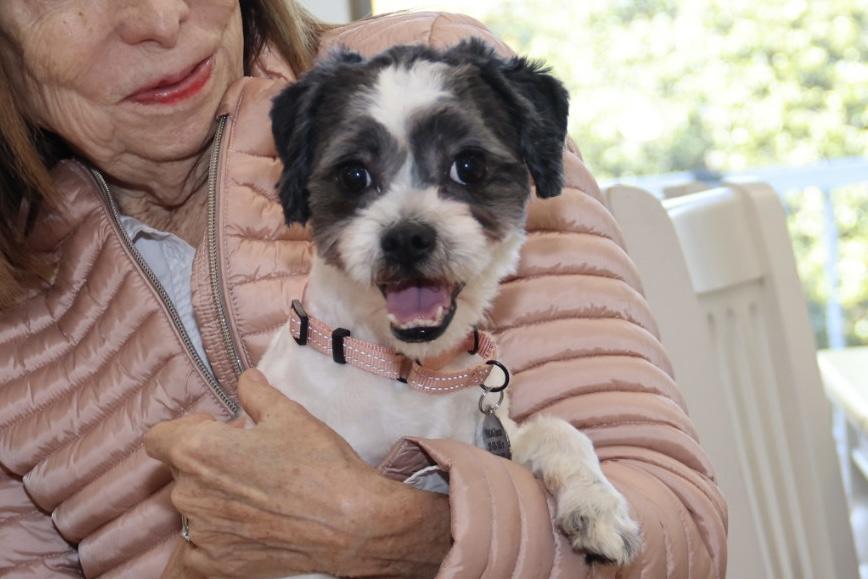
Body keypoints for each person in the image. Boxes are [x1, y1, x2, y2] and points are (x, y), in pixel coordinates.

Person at [0, 1, 727, 578]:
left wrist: (384, 533)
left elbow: (681, 538)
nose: (160, 17)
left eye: (466, 172)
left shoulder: (449, 76)